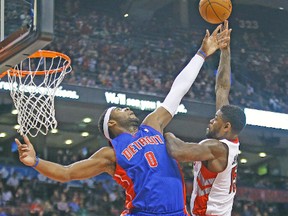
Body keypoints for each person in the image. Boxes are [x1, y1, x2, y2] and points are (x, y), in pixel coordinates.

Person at [16, 24, 230, 216]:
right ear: (112, 123)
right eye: (119, 109)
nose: (127, 108)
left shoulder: (152, 125)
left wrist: (202, 53)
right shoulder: (110, 153)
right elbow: (67, 172)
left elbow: (177, 91)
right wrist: (35, 161)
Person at [164, 21, 246, 216]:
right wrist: (225, 51)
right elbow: (222, 88)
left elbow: (179, 152)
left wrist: (164, 132)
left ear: (226, 126)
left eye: (215, 118)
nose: (211, 120)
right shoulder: (229, 140)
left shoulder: (217, 148)